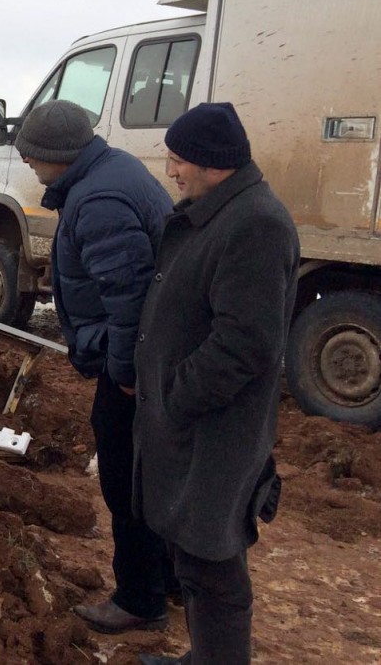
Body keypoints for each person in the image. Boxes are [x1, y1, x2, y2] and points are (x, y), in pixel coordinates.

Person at [133, 103, 298, 665]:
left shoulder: (255, 224)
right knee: (192, 555)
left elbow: (246, 342)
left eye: (178, 160)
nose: (171, 171)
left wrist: (176, 396)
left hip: (216, 431)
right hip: (194, 428)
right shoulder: (220, 213)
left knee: (213, 563)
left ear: (211, 164)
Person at [13, 99, 177, 634]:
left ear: (58, 155)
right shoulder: (110, 172)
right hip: (145, 354)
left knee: (125, 481)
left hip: (131, 362)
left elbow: (128, 297)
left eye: (34, 157)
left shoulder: (100, 198)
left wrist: (126, 372)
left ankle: (139, 600)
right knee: (149, 475)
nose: (31, 167)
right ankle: (169, 580)